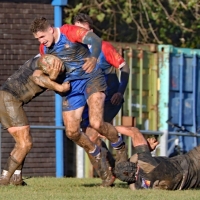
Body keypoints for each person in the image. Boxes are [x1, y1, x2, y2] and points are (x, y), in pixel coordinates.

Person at [29, 17, 128, 183]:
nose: (41, 41)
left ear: (51, 30)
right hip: (72, 87)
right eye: (38, 39)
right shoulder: (45, 48)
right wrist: (48, 81)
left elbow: (95, 40)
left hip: (92, 78)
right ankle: (99, 157)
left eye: (42, 37)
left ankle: (120, 145)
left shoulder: (69, 31)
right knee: (72, 132)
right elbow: (37, 68)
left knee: (96, 124)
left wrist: (94, 57)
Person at [73, 13, 130, 186]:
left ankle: (110, 173)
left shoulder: (104, 47)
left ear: (91, 30)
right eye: (76, 29)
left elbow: (124, 67)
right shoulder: (74, 49)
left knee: (91, 135)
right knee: (87, 139)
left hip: (110, 98)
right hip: (90, 101)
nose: (79, 33)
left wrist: (120, 91)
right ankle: (114, 168)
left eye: (82, 30)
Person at [0, 54, 70, 186]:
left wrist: (56, 81)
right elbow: (37, 78)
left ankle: (16, 178)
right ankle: (3, 180)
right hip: (9, 99)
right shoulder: (46, 59)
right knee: (25, 144)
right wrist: (60, 86)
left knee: (21, 143)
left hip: (7, 98)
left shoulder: (47, 59)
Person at [114, 126, 200, 190]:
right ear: (134, 166)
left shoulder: (138, 186)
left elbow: (131, 183)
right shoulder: (146, 164)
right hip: (193, 162)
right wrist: (109, 128)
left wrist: (148, 150)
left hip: (193, 181)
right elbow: (134, 132)